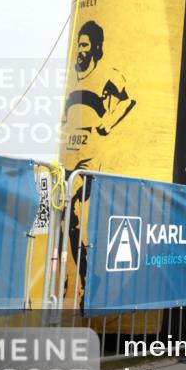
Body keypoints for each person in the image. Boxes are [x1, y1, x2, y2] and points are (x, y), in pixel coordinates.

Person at [59, 20, 137, 303]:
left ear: (95, 48)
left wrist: (108, 122)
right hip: (70, 155)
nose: (80, 50)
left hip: (90, 160)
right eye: (78, 45)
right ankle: (79, 277)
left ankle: (86, 282)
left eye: (85, 45)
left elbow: (127, 100)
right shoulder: (73, 76)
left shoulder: (107, 75)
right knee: (66, 221)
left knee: (74, 212)